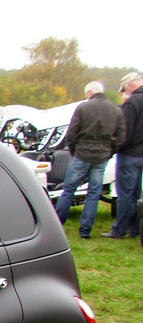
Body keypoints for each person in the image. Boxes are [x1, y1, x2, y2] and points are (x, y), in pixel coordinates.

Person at [54, 81, 126, 238]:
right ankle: (85, 230)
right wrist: (109, 152)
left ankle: (57, 226)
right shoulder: (115, 110)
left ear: (89, 93)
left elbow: (71, 133)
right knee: (94, 193)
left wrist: (74, 151)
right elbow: (120, 136)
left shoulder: (83, 108)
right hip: (102, 156)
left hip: (82, 154)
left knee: (68, 190)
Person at [102, 72, 143, 239]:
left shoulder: (132, 102)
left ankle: (119, 230)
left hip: (130, 155)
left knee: (125, 194)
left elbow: (125, 132)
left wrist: (115, 148)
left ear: (129, 85)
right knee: (137, 194)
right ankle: (135, 229)